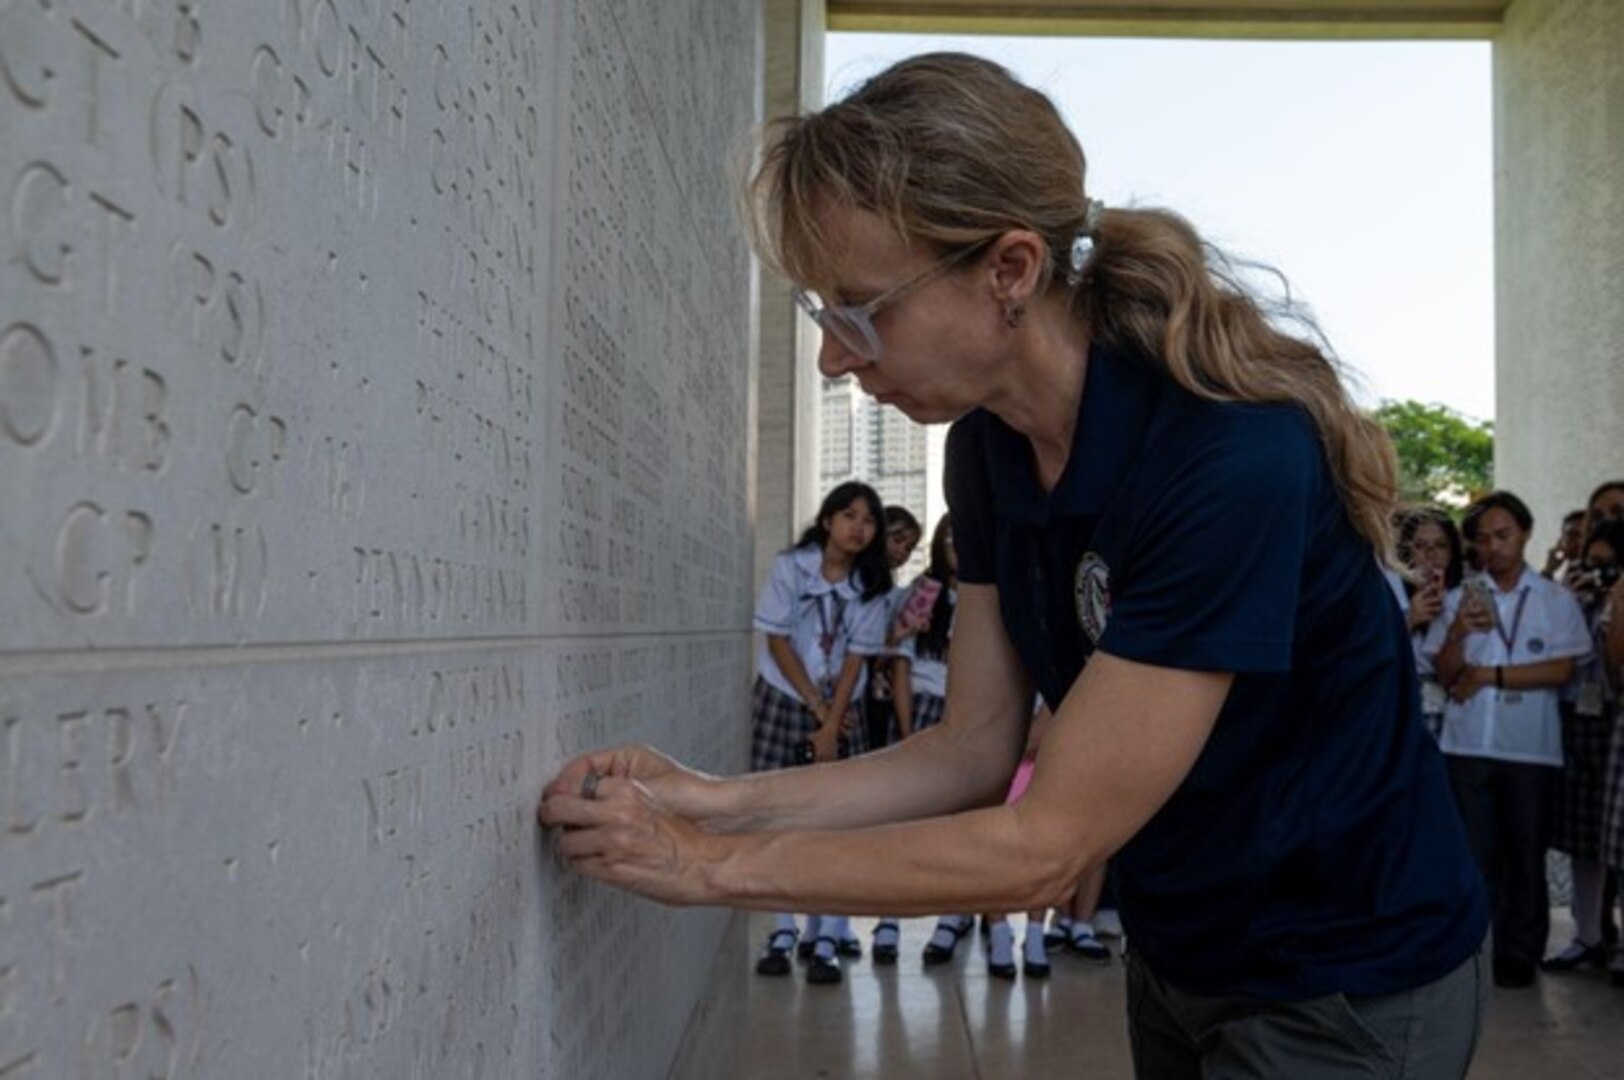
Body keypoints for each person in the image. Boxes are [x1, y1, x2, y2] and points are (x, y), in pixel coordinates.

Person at [540, 53, 1489, 1076]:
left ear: (1010, 270)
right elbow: (971, 751)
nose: (832, 357)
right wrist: (705, 800)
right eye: (823, 315)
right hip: (1183, 952)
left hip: (1348, 973)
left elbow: (1046, 844)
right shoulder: (987, 448)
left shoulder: (1227, 459)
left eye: (860, 310)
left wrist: (710, 868)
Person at [1422, 490, 1590, 988]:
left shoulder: (1555, 600)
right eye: (1482, 539)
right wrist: (1456, 632)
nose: (1492, 547)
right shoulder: (1460, 598)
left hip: (1529, 748)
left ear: (1525, 534)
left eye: (1503, 535)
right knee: (1475, 854)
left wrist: (1489, 675)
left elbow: (1561, 669)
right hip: (1466, 745)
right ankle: (1479, 947)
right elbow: (1445, 673)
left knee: (1526, 853)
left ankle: (1520, 951)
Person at [747, 480, 893, 985]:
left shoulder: (873, 586)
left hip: (841, 710)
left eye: (869, 520)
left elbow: (856, 659)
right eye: (849, 515)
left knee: (839, 823)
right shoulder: (792, 568)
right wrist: (818, 706)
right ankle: (782, 930)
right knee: (775, 815)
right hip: (783, 698)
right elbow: (778, 641)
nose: (858, 527)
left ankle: (828, 934)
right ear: (828, 520)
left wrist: (831, 724)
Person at [1396, 507, 1466, 739]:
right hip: (1403, 705)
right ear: (1406, 552)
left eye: (1440, 545)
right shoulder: (1390, 595)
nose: (1430, 554)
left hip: (1457, 711)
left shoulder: (1467, 596)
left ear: (1453, 551)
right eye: (1420, 546)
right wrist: (1409, 620)